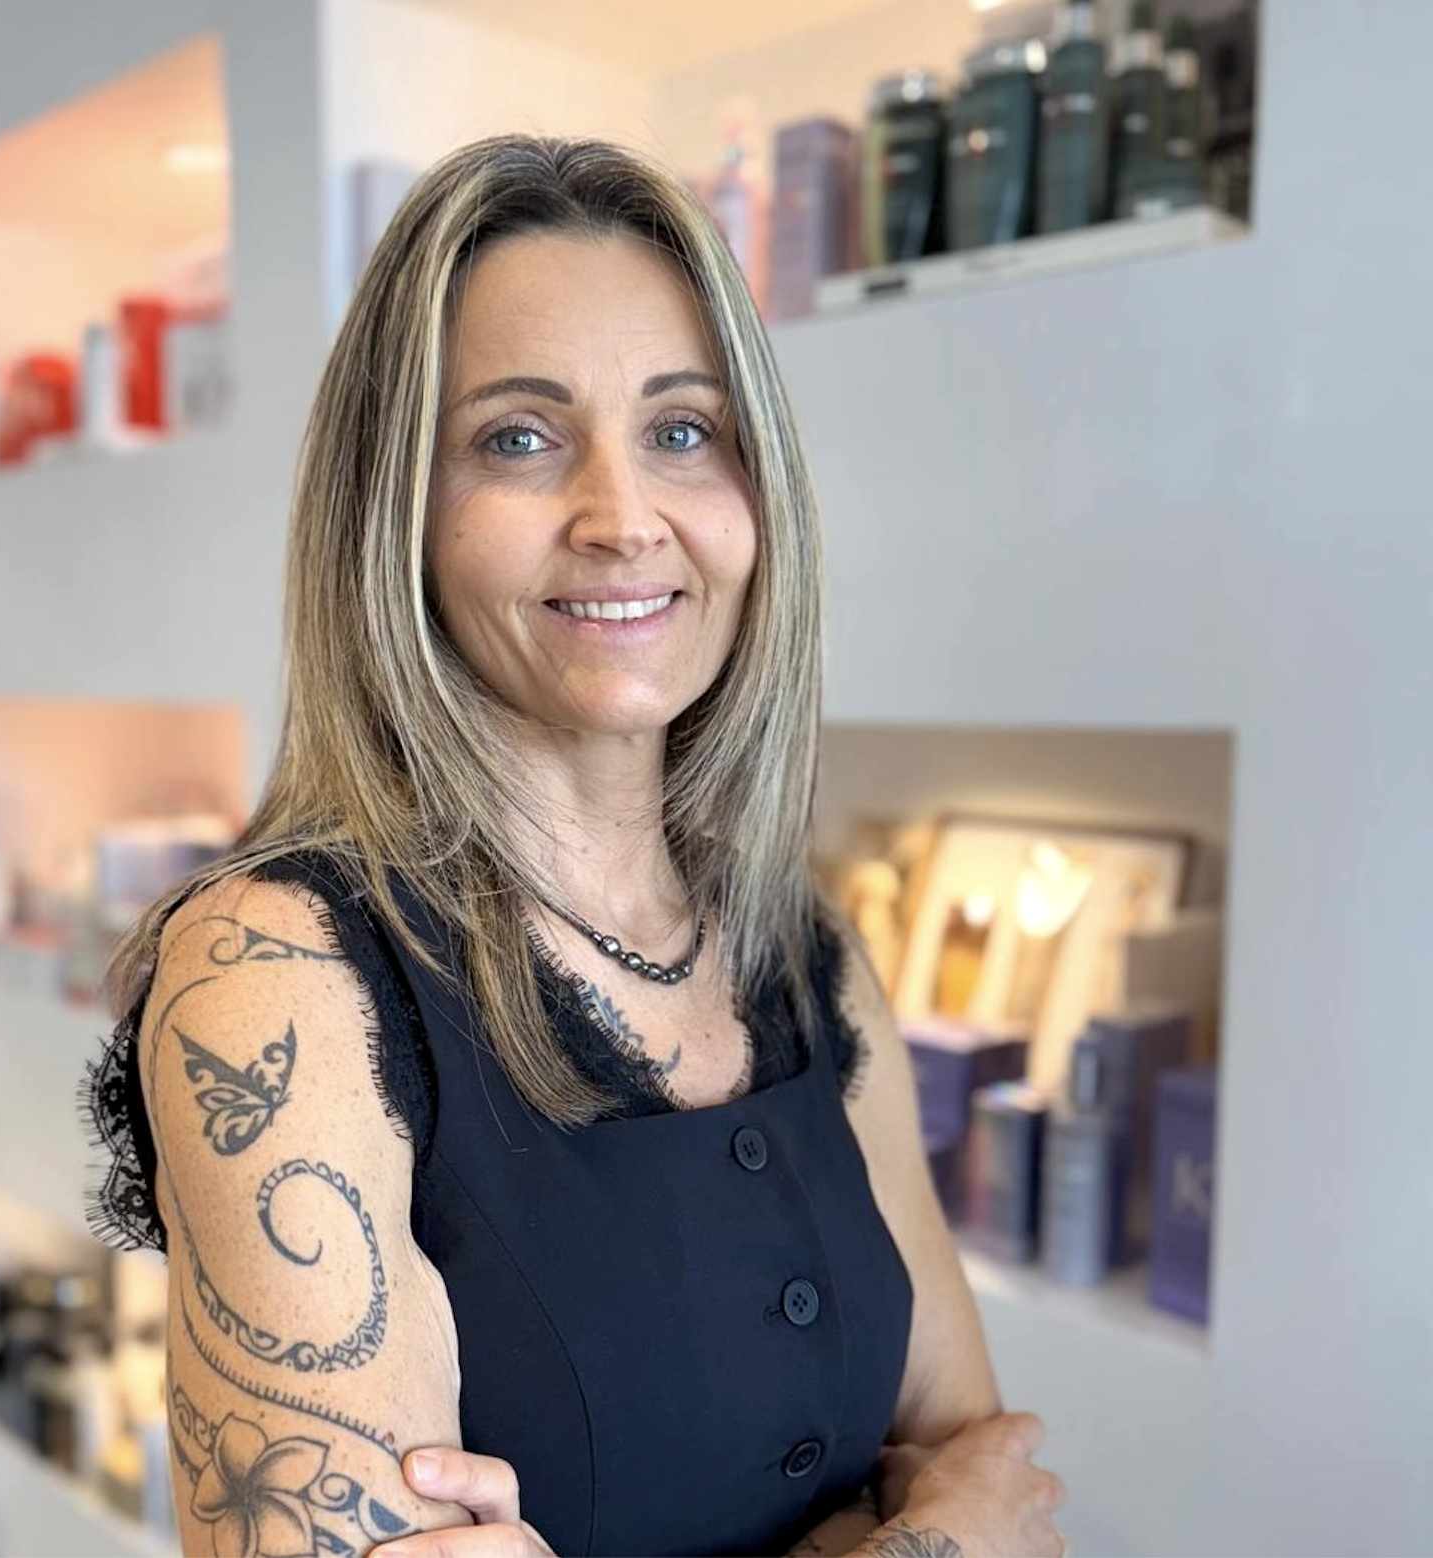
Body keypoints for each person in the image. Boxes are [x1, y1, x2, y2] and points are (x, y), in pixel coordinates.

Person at [82, 134, 1067, 1558]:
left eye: (682, 429)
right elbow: (969, 1520)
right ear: (398, 514)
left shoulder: (806, 951)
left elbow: (994, 1468)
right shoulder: (279, 972)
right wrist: (919, 1542)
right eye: (519, 438)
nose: (622, 518)